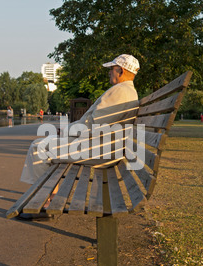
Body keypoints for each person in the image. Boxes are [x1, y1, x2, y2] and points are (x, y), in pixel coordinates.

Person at [20, 54, 140, 185]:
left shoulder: (120, 91)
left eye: (111, 69)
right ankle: (49, 193)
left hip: (101, 151)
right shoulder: (126, 90)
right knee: (42, 144)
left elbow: (94, 125)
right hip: (103, 147)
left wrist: (67, 131)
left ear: (120, 71)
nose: (109, 72)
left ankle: (44, 197)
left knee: (39, 148)